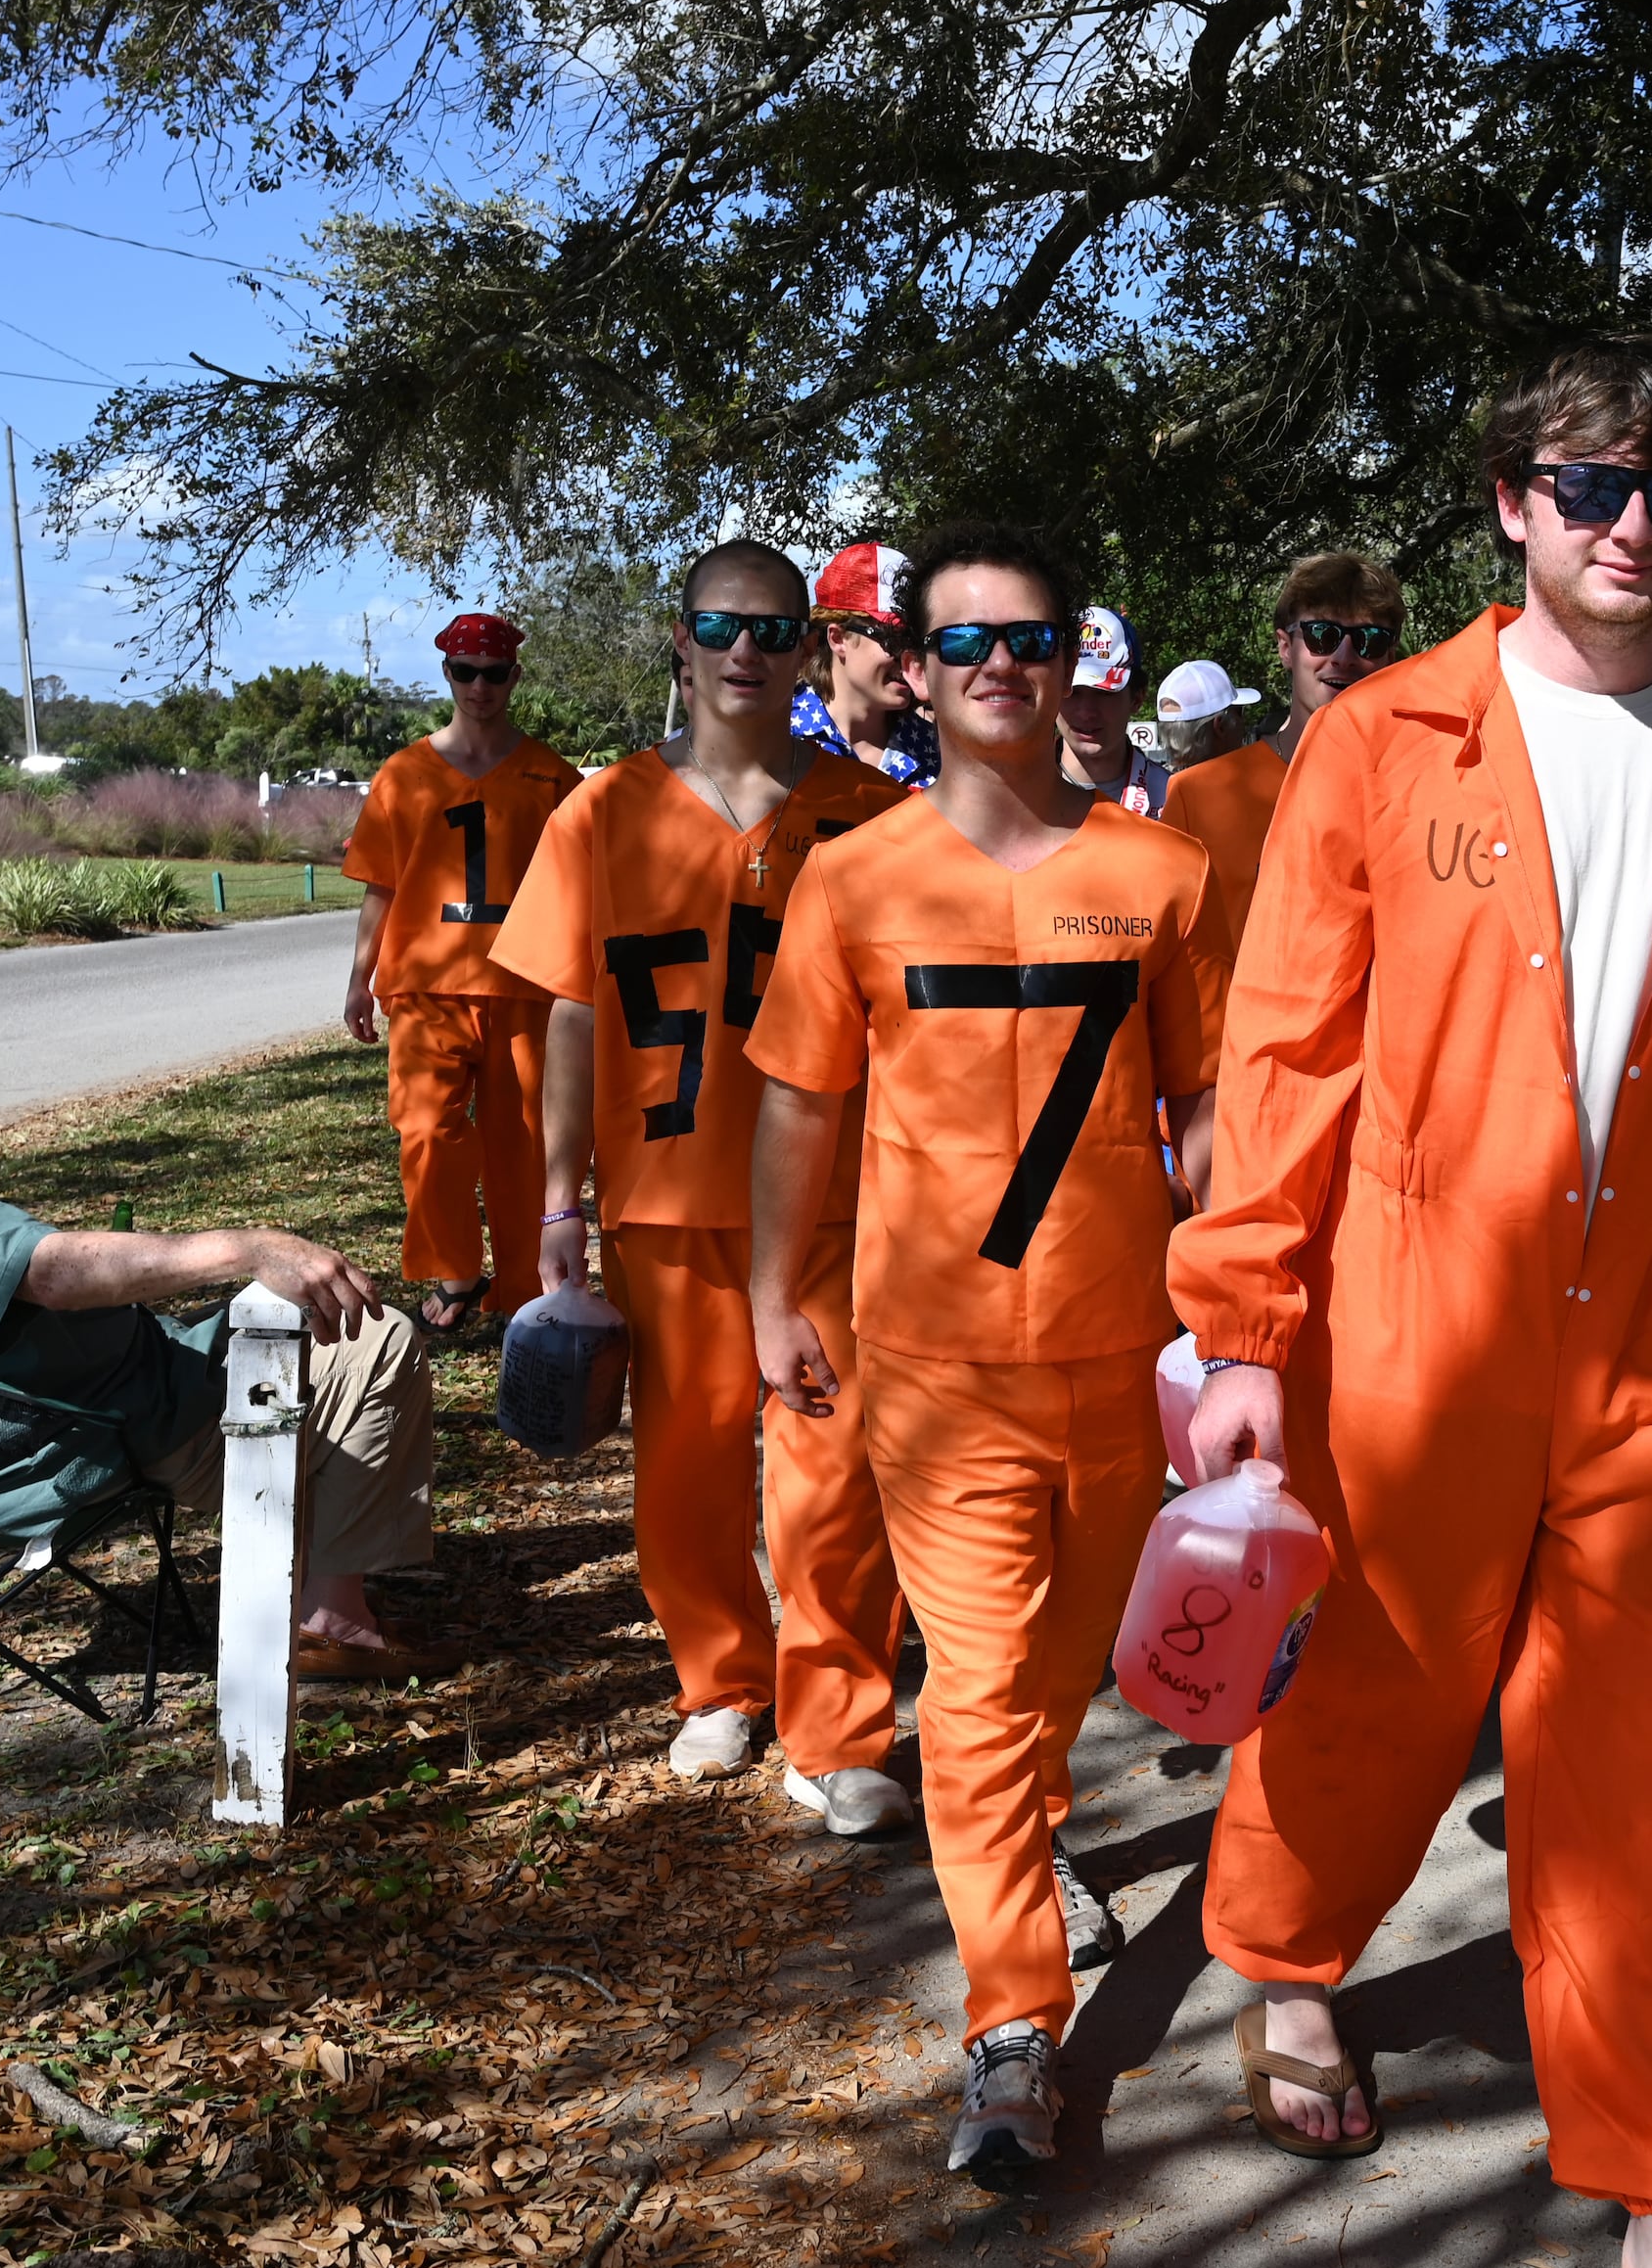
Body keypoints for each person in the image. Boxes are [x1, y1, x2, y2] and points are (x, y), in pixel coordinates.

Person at [1173, 333, 1652, 2268]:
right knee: (1379, 1696)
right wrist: (1239, 1332)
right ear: (1511, 503)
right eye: (1590, 487)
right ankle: (1287, 1963)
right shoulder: (1384, 741)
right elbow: (1282, 1054)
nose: (1632, 526)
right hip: (1409, 1337)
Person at [744, 522, 1227, 2173]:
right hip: (933, 1371)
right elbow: (801, 1105)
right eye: (966, 644)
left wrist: (1233, 1314)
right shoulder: (853, 876)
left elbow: (1211, 1105)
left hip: (1121, 1351)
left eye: (1029, 638)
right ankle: (1010, 2024)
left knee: (1062, 1672)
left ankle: (1028, 1831)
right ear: (913, 668)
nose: (1000, 667)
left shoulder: (1161, 876)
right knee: (981, 1693)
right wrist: (771, 1299)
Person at [0, 945, 445, 1682]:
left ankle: (322, 1583)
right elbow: (52, 1272)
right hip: (63, 1439)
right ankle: (333, 1622)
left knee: (279, 1323)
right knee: (374, 1338)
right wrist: (246, 1246)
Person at [494, 539, 914, 1804]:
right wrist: (558, 1199)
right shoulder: (602, 810)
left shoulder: (870, 812)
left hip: (831, 1201)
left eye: (774, 628)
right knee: (684, 1461)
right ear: (680, 640)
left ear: (808, 649)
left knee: (835, 1467)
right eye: (720, 625)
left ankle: (837, 1724)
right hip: (664, 1197)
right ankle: (721, 1678)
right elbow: (570, 1012)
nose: (746, 648)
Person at [339, 613, 586, 1334]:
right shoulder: (404, 774)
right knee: (425, 1131)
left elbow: (582, 888)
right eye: (466, 671)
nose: (481, 686)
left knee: (528, 1144)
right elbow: (379, 885)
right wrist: (359, 978)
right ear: (446, 673)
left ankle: (523, 1285)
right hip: (424, 987)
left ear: (515, 675)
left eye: (496, 672)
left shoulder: (552, 777)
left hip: (526, 988)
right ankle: (456, 1270)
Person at [1162, 552, 1402, 960]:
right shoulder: (1197, 798)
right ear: (1285, 647)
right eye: (1321, 635)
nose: (1343, 656)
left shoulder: (1419, 794)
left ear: (1390, 657)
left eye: (1369, 640)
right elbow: (1171, 961)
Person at [799, 541, 937, 788]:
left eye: (917, 641)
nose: (910, 657)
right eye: (894, 640)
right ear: (838, 639)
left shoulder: (937, 752)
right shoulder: (775, 736)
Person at [1059, 606, 1166, 813]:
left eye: (1105, 693)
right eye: (1072, 692)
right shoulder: (1013, 798)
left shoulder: (1170, 801)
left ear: (1137, 698)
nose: (1086, 712)